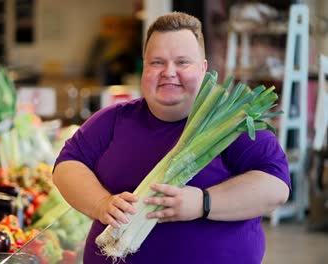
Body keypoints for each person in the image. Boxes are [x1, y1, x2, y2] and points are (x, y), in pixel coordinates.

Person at [52, 11, 290, 264]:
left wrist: (203, 202)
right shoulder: (113, 120)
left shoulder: (233, 125)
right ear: (144, 67)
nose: (169, 72)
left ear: (204, 68)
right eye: (157, 62)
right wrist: (101, 203)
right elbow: (67, 165)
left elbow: (275, 188)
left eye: (182, 62)